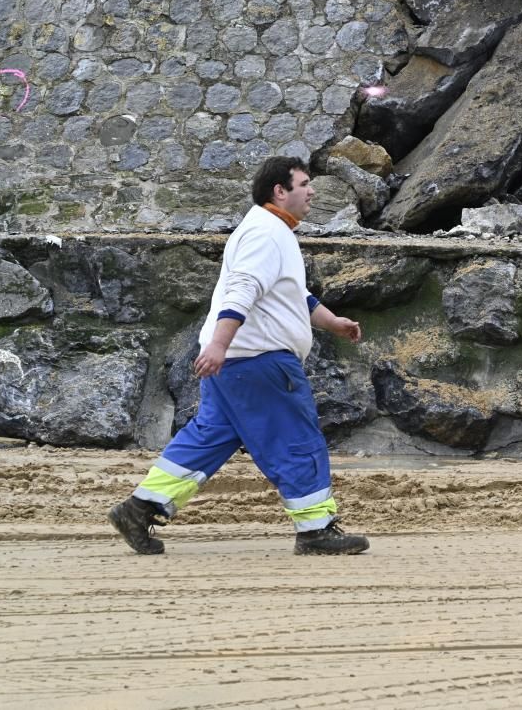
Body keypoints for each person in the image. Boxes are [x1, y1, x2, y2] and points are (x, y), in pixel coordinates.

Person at [108, 156, 370, 556]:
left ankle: (139, 508)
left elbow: (290, 293)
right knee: (297, 440)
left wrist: (331, 321)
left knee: (207, 439)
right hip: (259, 362)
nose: (312, 190)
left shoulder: (266, 230)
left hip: (236, 365)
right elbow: (244, 289)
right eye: (304, 184)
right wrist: (218, 344)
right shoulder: (267, 234)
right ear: (279, 191)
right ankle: (316, 529)